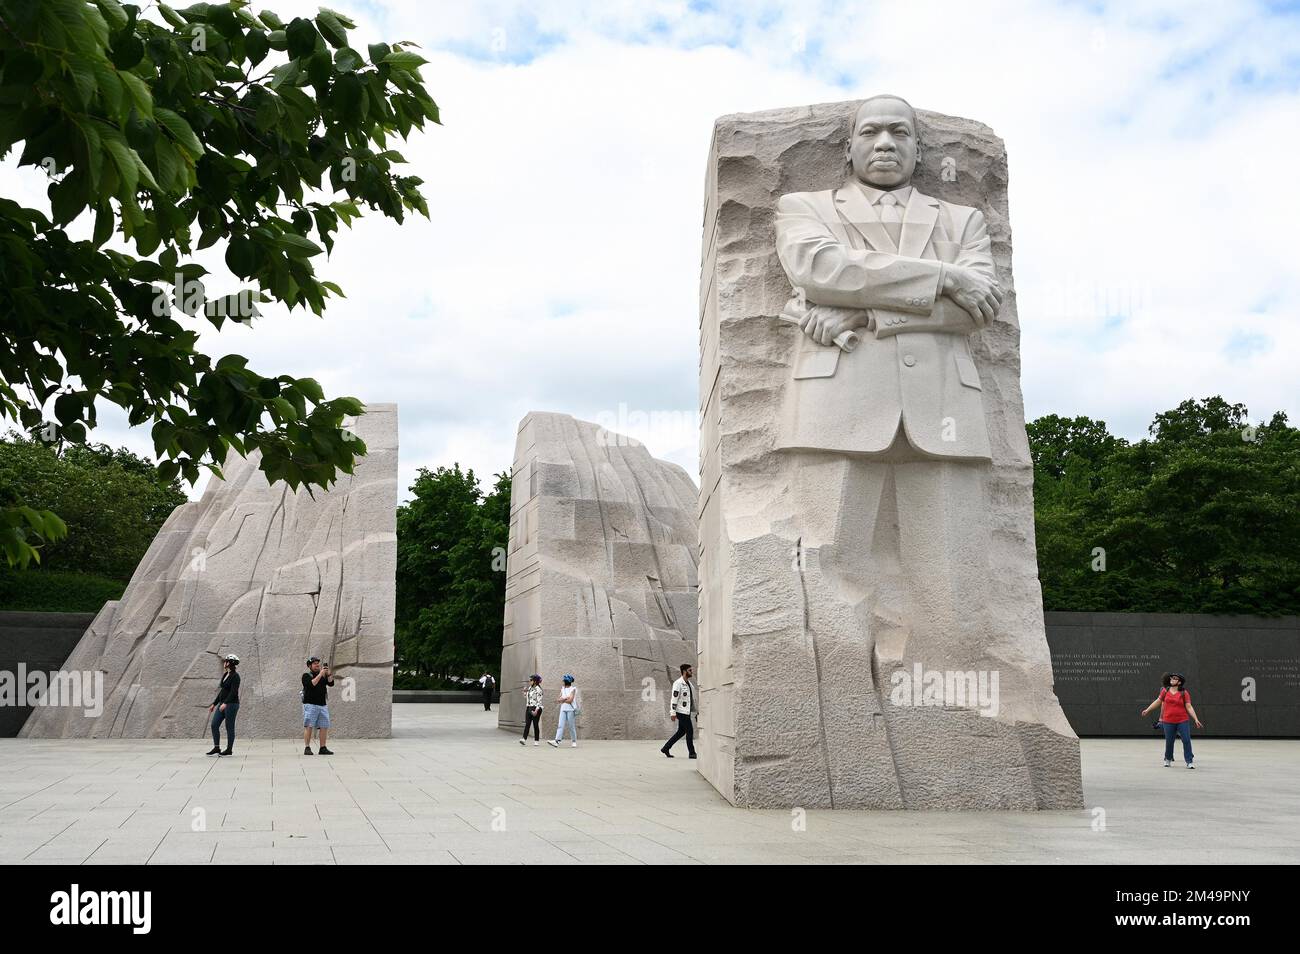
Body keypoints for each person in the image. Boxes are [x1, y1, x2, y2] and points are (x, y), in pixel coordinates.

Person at [1141, 672, 1204, 768]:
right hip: (1168, 721)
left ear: (1179, 682)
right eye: (1172, 678)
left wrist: (1195, 719)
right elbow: (1158, 701)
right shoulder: (1165, 691)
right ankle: (1168, 758)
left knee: (1186, 740)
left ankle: (1189, 761)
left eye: (1175, 678)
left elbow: (1189, 706)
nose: (1172, 679)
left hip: (1182, 720)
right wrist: (1148, 710)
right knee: (1169, 741)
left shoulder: (1184, 693)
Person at [661, 663, 698, 759]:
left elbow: (693, 700)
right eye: (690, 670)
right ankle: (692, 753)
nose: (691, 672)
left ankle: (666, 748)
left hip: (687, 712)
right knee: (689, 731)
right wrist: (672, 712)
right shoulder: (678, 683)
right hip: (681, 712)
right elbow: (674, 698)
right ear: (685, 671)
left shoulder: (689, 684)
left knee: (681, 732)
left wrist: (696, 712)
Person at [206, 654, 240, 757]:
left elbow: (233, 692)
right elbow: (223, 691)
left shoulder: (236, 676)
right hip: (222, 704)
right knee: (214, 725)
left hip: (232, 705)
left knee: (229, 727)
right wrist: (214, 703)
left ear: (230, 663)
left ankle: (229, 750)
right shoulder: (226, 675)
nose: (224, 663)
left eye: (226, 661)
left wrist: (225, 703)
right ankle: (217, 747)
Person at [302, 656, 335, 755]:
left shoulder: (323, 675)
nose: (317, 665)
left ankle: (322, 747)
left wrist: (329, 674)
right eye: (315, 663)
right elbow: (312, 685)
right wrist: (320, 674)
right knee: (309, 726)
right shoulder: (306, 675)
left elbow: (331, 683)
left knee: (324, 726)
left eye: (318, 663)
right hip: (310, 705)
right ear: (310, 666)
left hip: (322, 705)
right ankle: (307, 747)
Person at [547, 674, 579, 748]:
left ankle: (574, 741)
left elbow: (570, 700)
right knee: (560, 725)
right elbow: (558, 700)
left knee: (571, 726)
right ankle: (557, 741)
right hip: (563, 709)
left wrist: (563, 699)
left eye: (563, 681)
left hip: (570, 709)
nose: (562, 682)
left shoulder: (573, 689)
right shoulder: (562, 689)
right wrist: (565, 698)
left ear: (566, 681)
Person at [518, 674, 543, 746]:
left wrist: (536, 710)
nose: (530, 681)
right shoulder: (530, 688)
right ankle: (524, 739)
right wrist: (524, 692)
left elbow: (539, 701)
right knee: (527, 724)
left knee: (535, 724)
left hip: (536, 708)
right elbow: (527, 697)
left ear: (535, 681)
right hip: (529, 707)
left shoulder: (539, 689)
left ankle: (536, 740)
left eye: (531, 680)